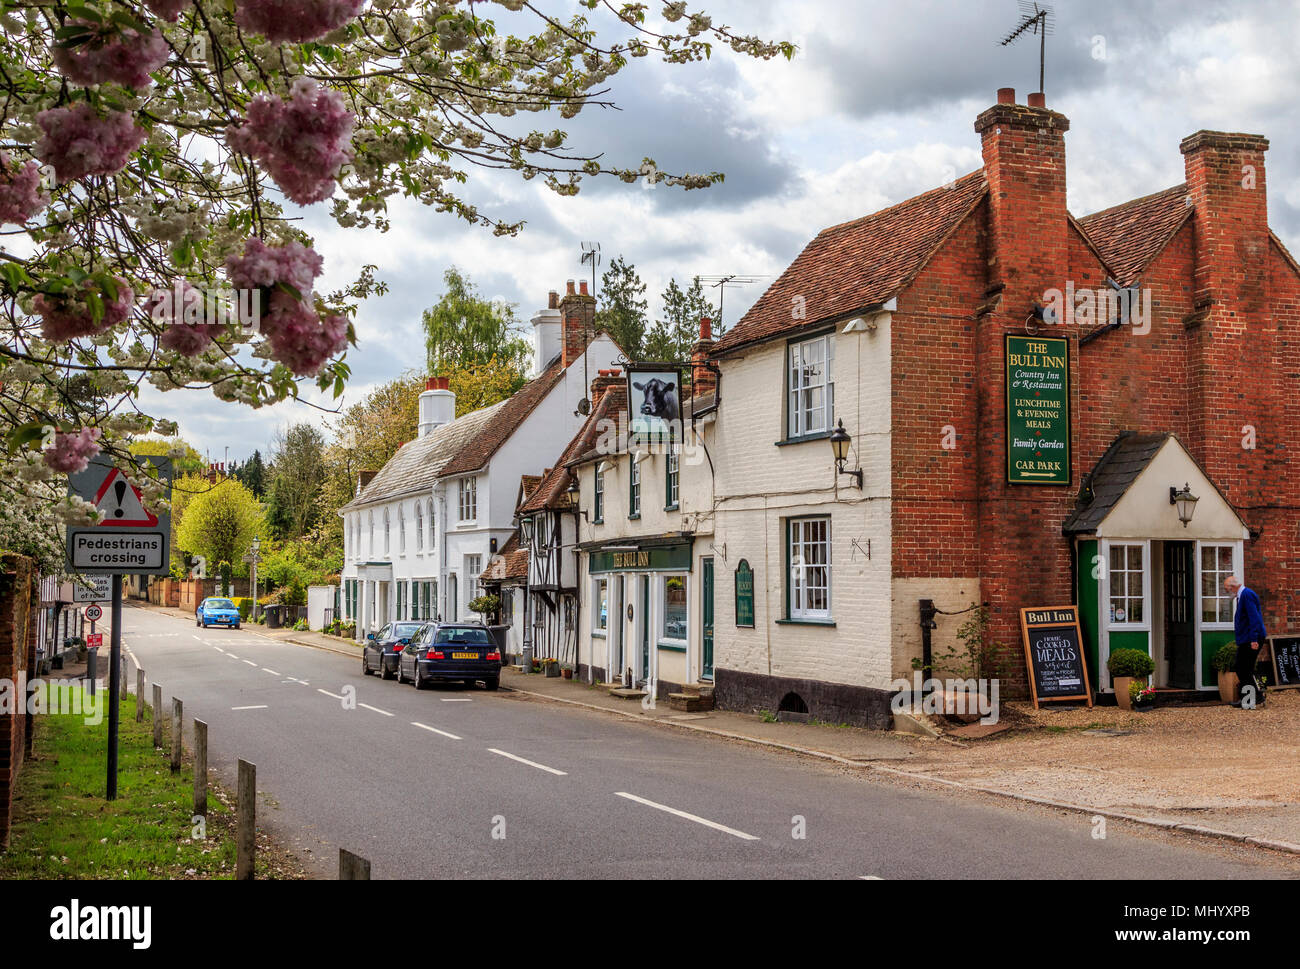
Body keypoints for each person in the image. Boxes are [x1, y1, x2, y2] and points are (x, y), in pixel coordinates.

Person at [1224, 576, 1267, 707]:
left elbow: (1254, 618)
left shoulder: (1246, 595)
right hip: (1248, 637)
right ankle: (1252, 699)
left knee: (1242, 668)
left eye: (1227, 589)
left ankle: (1252, 699)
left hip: (1251, 638)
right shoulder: (1243, 595)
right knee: (1244, 668)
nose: (1228, 592)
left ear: (1233, 587)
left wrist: (1254, 639)